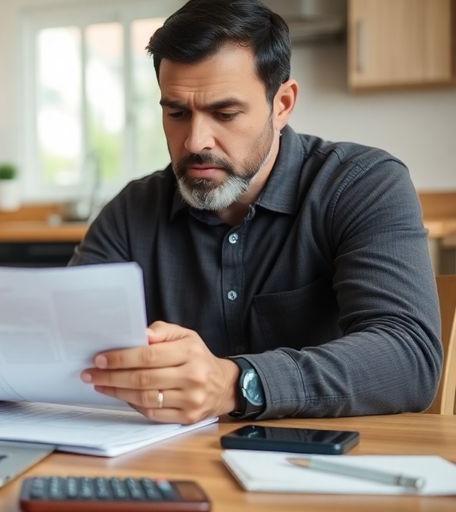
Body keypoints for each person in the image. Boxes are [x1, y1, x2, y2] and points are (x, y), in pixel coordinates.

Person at [74, 0, 441, 424]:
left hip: (333, 465)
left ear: (282, 103)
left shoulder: (363, 185)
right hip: (178, 462)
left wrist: (234, 382)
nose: (195, 141)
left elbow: (409, 357)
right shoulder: (130, 211)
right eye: (176, 113)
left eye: (225, 113)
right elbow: (66, 347)